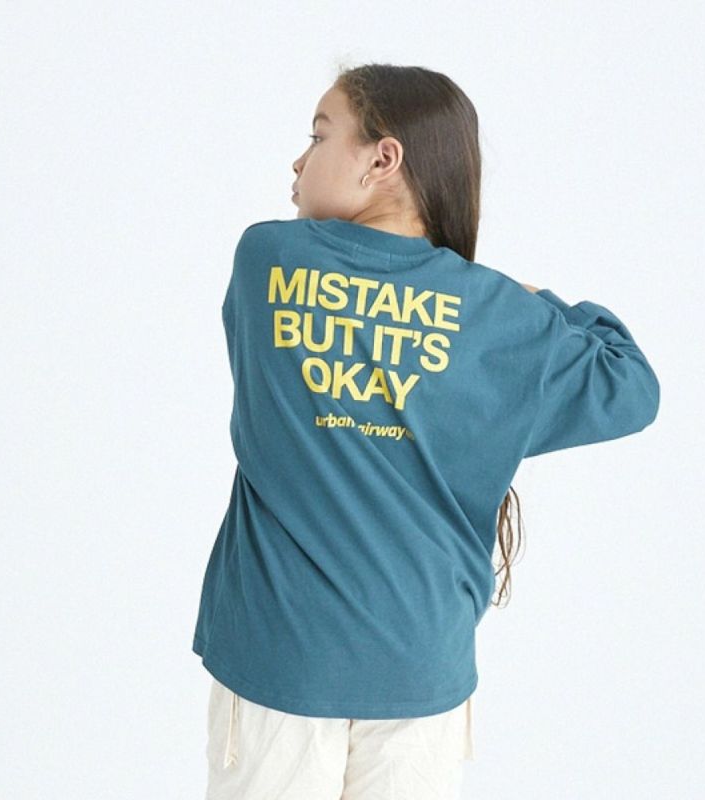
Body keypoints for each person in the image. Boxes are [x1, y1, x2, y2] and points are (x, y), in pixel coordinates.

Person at [193, 62, 661, 800]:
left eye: (318, 136)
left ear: (383, 158)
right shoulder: (493, 315)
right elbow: (629, 384)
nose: (298, 161)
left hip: (281, 654)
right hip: (420, 664)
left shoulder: (268, 260)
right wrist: (531, 301)